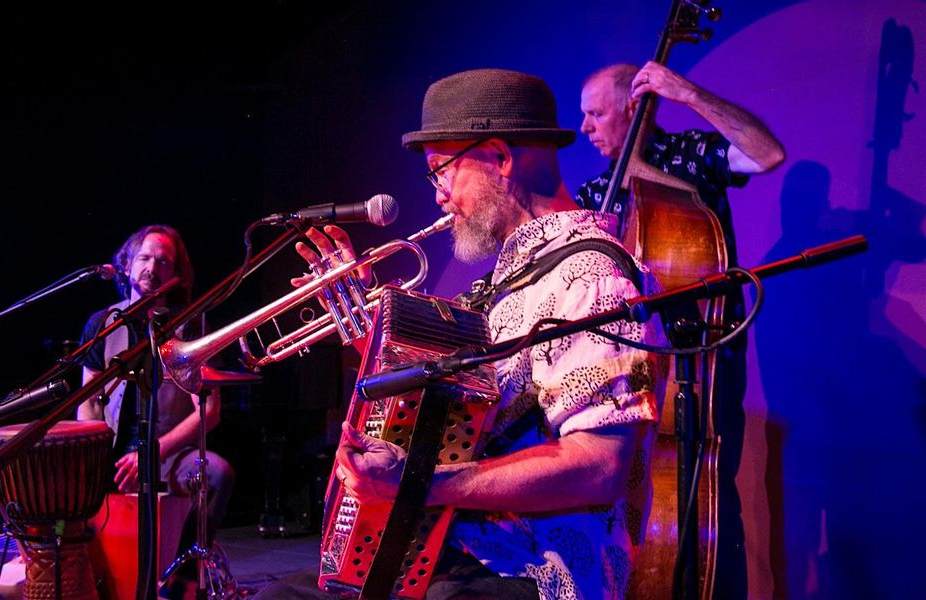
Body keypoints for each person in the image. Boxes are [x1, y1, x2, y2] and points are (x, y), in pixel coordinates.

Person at [258, 69, 668, 600]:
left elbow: (600, 465)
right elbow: (460, 416)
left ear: (499, 158)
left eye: (441, 171)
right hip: (458, 561)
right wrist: (363, 326)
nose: (439, 196)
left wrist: (421, 483)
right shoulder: (515, 279)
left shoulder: (590, 276)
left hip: (533, 576)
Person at [576, 62, 786, 598]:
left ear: (634, 107)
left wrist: (686, 92)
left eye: (595, 114)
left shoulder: (691, 155)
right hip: (623, 368)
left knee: (707, 497)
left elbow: (767, 154)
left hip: (700, 357)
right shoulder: (594, 194)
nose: (585, 128)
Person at [76, 224, 235, 574]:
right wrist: (94, 455)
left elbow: (210, 411)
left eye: (163, 261)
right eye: (144, 258)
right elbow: (87, 402)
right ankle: (82, 576)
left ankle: (181, 576)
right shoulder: (102, 323)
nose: (152, 267)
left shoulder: (192, 325)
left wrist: (152, 452)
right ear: (127, 265)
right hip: (110, 453)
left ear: (176, 273)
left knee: (217, 474)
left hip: (168, 455)